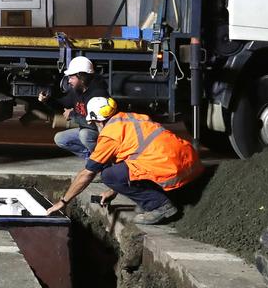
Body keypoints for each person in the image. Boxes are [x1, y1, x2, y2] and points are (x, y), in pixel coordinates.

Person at [46, 96, 204, 225]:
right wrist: (113, 190)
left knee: (108, 175)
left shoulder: (110, 135)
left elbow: (87, 174)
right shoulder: (133, 117)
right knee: (129, 167)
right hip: (191, 163)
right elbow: (134, 156)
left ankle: (160, 206)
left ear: (98, 121)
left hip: (170, 170)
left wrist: (63, 201)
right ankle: (168, 196)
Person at [39, 55, 109, 160]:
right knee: (60, 138)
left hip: (100, 132)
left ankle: (103, 160)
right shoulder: (77, 91)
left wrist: (72, 115)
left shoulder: (97, 94)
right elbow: (63, 106)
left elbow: (96, 124)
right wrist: (47, 100)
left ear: (82, 77)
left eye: (72, 77)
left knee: (84, 135)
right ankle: (90, 158)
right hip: (86, 129)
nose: (69, 81)